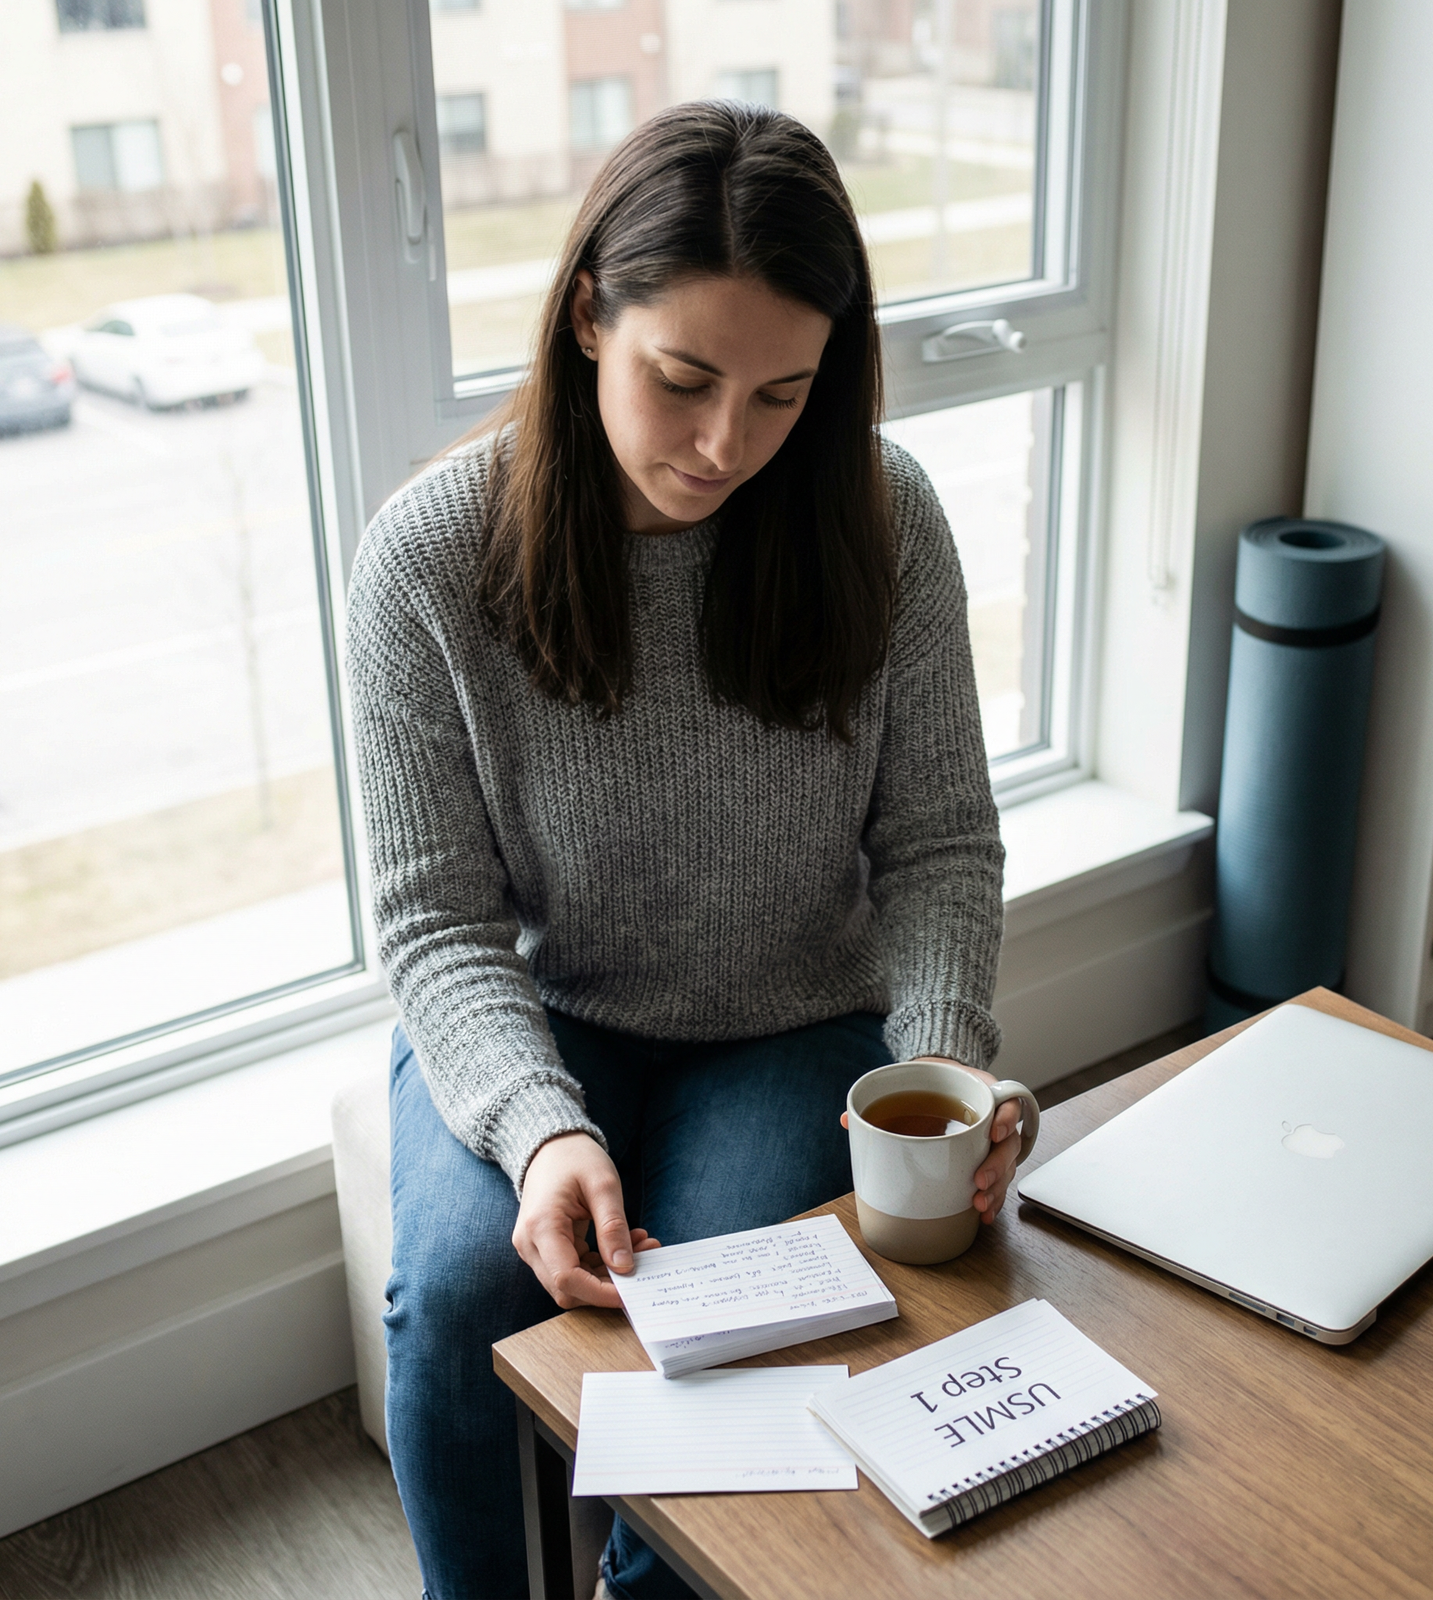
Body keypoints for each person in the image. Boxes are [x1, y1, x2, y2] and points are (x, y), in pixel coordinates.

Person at [346, 100, 1020, 1600]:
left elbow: (939, 845)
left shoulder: (882, 518)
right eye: (684, 379)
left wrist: (942, 1077)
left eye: (784, 394)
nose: (727, 446)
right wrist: (539, 1124)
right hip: (540, 1008)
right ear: (590, 313)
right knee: (455, 1293)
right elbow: (434, 922)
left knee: (720, 1330)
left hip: (789, 1021)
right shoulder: (430, 557)